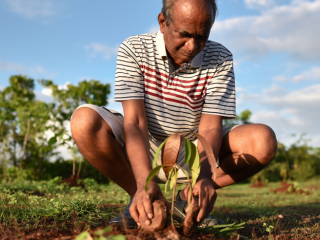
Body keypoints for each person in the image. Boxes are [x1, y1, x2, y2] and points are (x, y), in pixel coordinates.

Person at [70, 0, 277, 228]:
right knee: (84, 122)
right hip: (141, 144)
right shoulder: (134, 49)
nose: (192, 46)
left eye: (202, 37)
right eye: (184, 35)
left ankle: (185, 200)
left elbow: (209, 127)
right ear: (162, 22)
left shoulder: (219, 57)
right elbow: (136, 123)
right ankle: (145, 197)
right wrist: (144, 182)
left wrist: (204, 177)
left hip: (191, 149)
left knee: (262, 142)